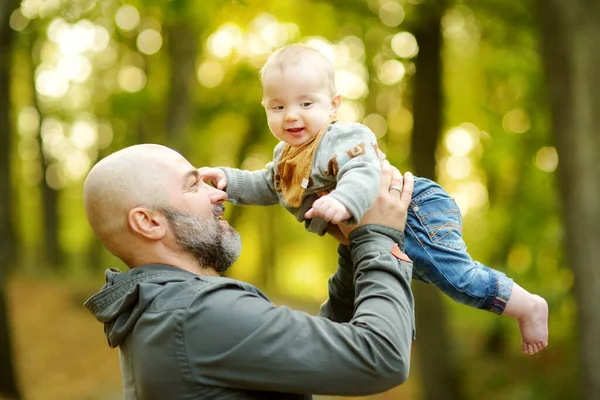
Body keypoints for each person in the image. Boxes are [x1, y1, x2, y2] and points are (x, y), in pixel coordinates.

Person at [199, 43, 549, 355]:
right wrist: (229, 180)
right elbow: (268, 185)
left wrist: (345, 201)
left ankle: (526, 306)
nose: (291, 114)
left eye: (306, 103)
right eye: (278, 106)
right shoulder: (286, 154)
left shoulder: (343, 136)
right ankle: (329, 349)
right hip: (373, 230)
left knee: (455, 277)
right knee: (367, 291)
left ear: (333, 106)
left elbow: (363, 172)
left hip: (414, 210)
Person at [83, 143, 417, 399]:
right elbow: (380, 354)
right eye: (194, 185)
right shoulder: (196, 313)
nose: (220, 193)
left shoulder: (169, 310)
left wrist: (351, 248)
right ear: (149, 222)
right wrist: (379, 239)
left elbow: (320, 350)